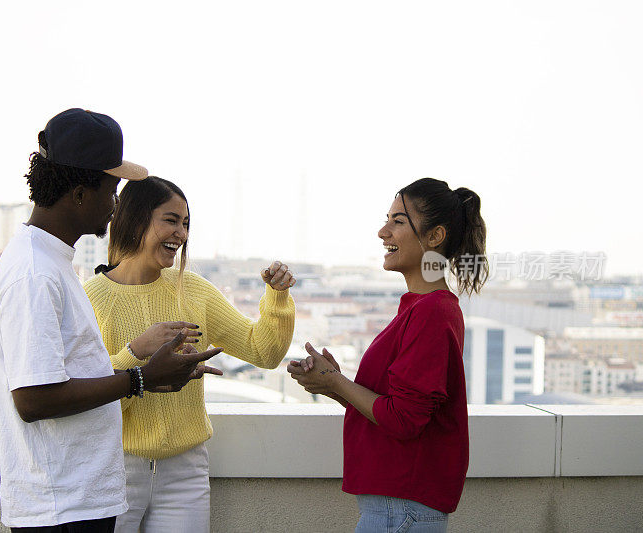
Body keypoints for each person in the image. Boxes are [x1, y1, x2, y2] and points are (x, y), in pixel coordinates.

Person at [0, 108, 222, 533]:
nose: (116, 204)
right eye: (111, 189)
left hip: (80, 501)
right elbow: (33, 400)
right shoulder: (34, 272)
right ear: (79, 193)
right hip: (62, 509)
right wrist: (141, 378)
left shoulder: (51, 263)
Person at [83, 176, 296, 533]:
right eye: (171, 220)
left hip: (185, 473)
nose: (181, 234)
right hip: (113, 470)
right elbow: (90, 401)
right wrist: (135, 353)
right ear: (135, 219)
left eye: (186, 224)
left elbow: (265, 351)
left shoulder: (195, 290)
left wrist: (276, 298)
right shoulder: (92, 300)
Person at [288, 177, 488, 532]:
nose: (383, 232)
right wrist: (332, 386)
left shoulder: (431, 312)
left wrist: (334, 380)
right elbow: (392, 411)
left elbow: (403, 420)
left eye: (398, 222)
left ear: (435, 236)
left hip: (400, 511)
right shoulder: (421, 308)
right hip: (397, 509)